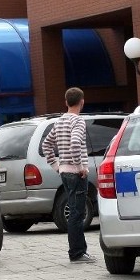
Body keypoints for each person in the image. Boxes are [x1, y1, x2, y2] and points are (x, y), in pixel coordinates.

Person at [41, 87, 96, 263]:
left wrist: (57, 166)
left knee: (74, 211)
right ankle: (77, 252)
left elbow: (46, 145)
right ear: (82, 102)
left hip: (64, 172)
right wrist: (80, 167)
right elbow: (74, 144)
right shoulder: (78, 122)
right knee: (77, 213)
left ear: (66, 102)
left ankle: (77, 251)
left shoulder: (58, 122)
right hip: (76, 173)